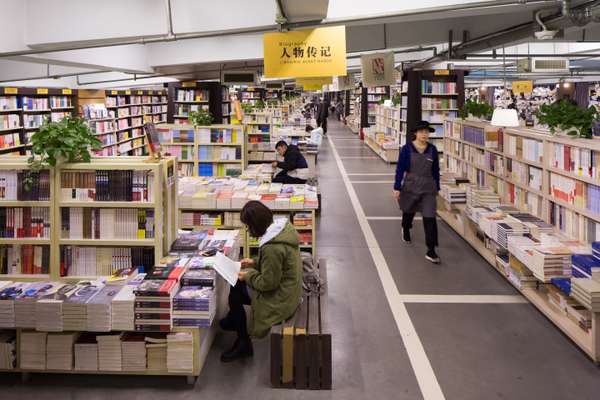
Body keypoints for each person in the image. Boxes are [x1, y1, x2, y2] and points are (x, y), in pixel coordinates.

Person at [219, 201, 303, 362]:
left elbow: (268, 283)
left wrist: (248, 276)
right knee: (237, 287)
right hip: (290, 289)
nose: (249, 231)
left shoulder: (272, 247)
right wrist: (254, 262)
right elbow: (278, 265)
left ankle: (244, 342)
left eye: (249, 227)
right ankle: (234, 320)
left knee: (236, 289)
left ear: (256, 225)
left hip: (282, 298)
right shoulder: (281, 231)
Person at [393, 121, 441, 264]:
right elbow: (400, 169)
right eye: (421, 132)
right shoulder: (407, 149)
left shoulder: (432, 150)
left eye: (426, 132)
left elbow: (435, 171)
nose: (424, 134)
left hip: (428, 188)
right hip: (410, 185)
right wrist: (397, 187)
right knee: (408, 211)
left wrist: (437, 187)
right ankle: (406, 227)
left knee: (430, 218)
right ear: (416, 133)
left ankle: (431, 250)